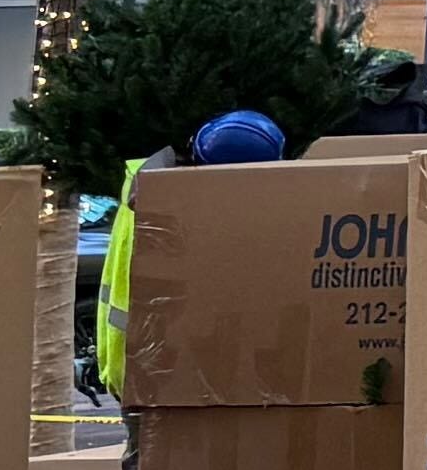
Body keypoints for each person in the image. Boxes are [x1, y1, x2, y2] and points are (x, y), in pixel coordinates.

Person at [97, 107, 292, 411]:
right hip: (163, 376)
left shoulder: (147, 185)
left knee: (150, 457)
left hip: (139, 369)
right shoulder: (188, 215)